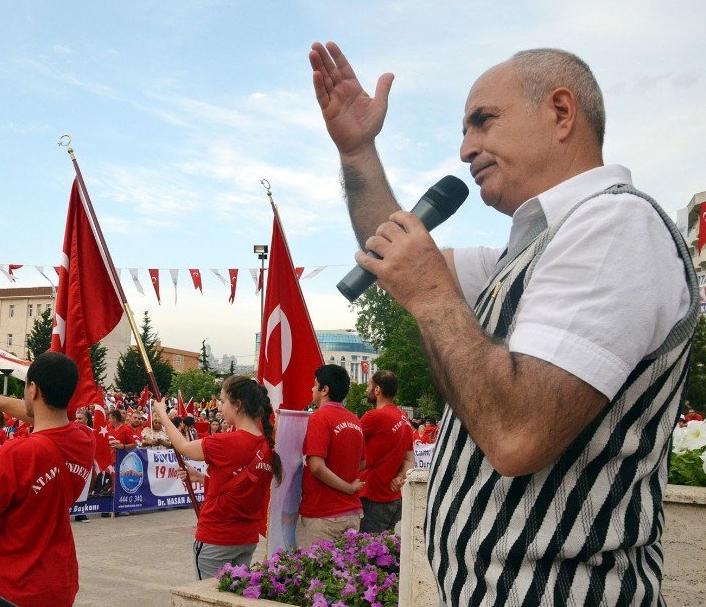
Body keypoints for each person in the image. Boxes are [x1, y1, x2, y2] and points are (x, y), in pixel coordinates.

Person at [311, 41, 698, 603]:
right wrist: (358, 153)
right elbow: (396, 260)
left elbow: (519, 434)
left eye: (483, 121)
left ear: (561, 113)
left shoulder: (617, 226)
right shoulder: (532, 249)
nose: (466, 148)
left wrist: (432, 295)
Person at [0, 352, 95, 606]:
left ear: (32, 389)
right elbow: (45, 418)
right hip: (58, 583)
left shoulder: (14, 454)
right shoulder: (85, 439)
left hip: (11, 588)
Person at [153, 375, 281, 581]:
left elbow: (184, 447)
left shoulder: (227, 441)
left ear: (237, 405)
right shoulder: (266, 444)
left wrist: (163, 415)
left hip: (217, 538)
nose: (220, 407)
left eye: (222, 401)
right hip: (245, 539)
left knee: (210, 598)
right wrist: (200, 477)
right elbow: (242, 488)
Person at [297, 364, 365, 549]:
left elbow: (317, 467)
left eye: (314, 384)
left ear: (324, 390)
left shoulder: (320, 417)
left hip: (323, 515)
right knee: (344, 574)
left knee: (315, 575)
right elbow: (362, 462)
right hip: (350, 513)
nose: (312, 389)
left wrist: (348, 488)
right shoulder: (354, 419)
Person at [357, 370, 414, 535]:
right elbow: (410, 458)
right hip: (394, 498)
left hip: (372, 495)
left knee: (366, 553)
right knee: (387, 554)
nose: (366, 389)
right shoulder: (403, 418)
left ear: (377, 390)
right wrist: (400, 477)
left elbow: (349, 441)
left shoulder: (374, 416)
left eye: (368, 385)